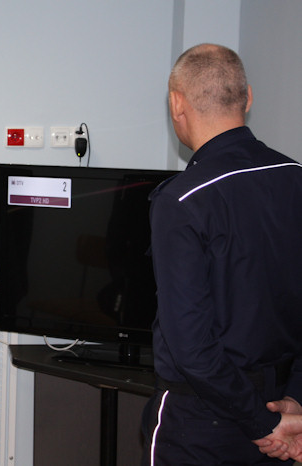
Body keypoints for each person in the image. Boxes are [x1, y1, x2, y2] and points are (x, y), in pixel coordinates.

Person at [140, 43, 302, 465]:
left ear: (177, 104)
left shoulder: (181, 200)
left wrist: (261, 424)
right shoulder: (295, 178)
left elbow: (191, 346)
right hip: (280, 408)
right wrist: (294, 401)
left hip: (202, 422)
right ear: (247, 98)